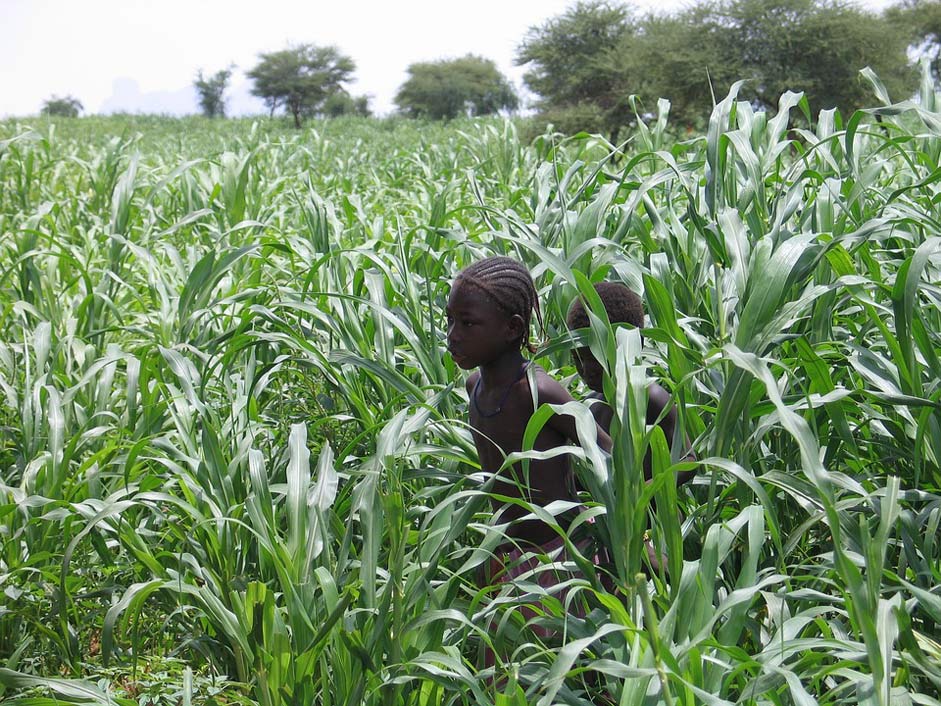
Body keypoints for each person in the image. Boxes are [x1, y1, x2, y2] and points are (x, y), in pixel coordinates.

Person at [445, 255, 611, 649]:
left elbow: (607, 453)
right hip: (507, 554)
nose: (453, 334)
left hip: (559, 560)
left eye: (467, 323)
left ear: (512, 329)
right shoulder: (474, 387)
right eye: (450, 320)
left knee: (570, 676)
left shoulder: (537, 392)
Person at [566, 281, 696, 574]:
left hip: (655, 529)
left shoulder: (649, 397)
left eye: (592, 359)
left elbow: (689, 460)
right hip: (609, 533)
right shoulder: (590, 407)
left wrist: (643, 491)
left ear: (624, 345)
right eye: (576, 358)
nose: (585, 371)